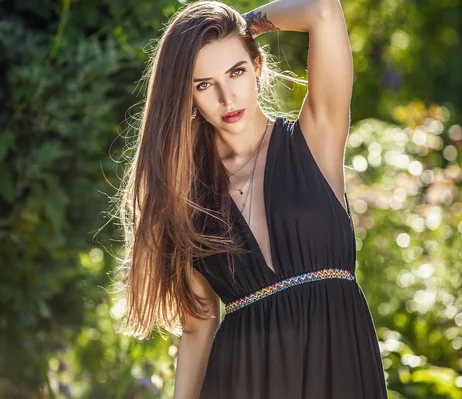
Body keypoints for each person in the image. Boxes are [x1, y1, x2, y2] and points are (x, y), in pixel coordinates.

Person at [115, 0, 388, 398]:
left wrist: (244, 25)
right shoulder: (186, 196)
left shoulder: (315, 140)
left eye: (236, 71)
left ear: (257, 67)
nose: (227, 97)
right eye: (204, 84)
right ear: (186, 96)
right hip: (243, 381)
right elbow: (198, 324)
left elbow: (323, 10)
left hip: (340, 367)